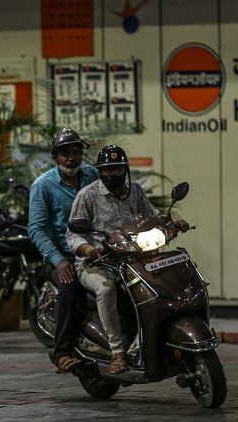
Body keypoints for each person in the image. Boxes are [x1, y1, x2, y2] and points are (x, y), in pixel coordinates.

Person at [66, 145, 188, 374]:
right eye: (108, 169)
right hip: (98, 263)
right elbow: (72, 233)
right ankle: (118, 351)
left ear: (126, 169)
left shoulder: (136, 191)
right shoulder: (88, 195)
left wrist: (172, 224)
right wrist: (87, 249)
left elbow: (152, 217)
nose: (113, 174)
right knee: (106, 288)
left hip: (134, 259)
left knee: (163, 282)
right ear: (100, 172)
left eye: (117, 168)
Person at [28, 128, 98, 374]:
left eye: (76, 152)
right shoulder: (43, 186)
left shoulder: (93, 176)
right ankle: (63, 352)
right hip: (62, 255)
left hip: (95, 249)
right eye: (65, 153)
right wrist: (58, 260)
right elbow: (36, 229)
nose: (71, 158)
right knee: (71, 287)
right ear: (55, 157)